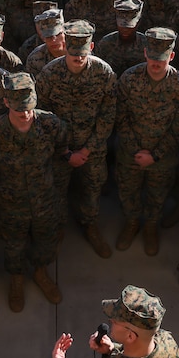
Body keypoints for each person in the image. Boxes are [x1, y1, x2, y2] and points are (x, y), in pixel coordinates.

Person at [0, 72, 67, 311]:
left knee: (45, 240)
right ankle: (16, 279)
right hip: (10, 203)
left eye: (29, 107)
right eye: (19, 109)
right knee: (13, 245)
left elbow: (61, 153)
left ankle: (40, 272)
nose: (25, 114)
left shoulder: (50, 124)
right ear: (6, 102)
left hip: (44, 199)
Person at [34, 21, 117, 258]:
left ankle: (90, 225)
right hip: (59, 149)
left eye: (82, 54)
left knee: (92, 189)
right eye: (73, 54)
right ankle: (58, 228)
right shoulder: (50, 73)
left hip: (93, 147)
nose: (78, 59)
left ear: (91, 46)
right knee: (57, 191)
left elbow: (107, 114)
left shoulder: (104, 73)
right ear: (65, 47)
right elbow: (42, 115)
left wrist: (87, 150)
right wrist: (65, 151)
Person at [115, 28, 179, 256]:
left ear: (171, 56)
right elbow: (120, 117)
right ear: (145, 53)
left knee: (157, 195)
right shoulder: (129, 78)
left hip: (163, 157)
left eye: (161, 58)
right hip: (130, 153)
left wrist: (155, 155)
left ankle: (150, 226)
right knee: (128, 191)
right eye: (152, 57)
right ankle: (132, 223)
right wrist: (135, 150)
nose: (156, 63)